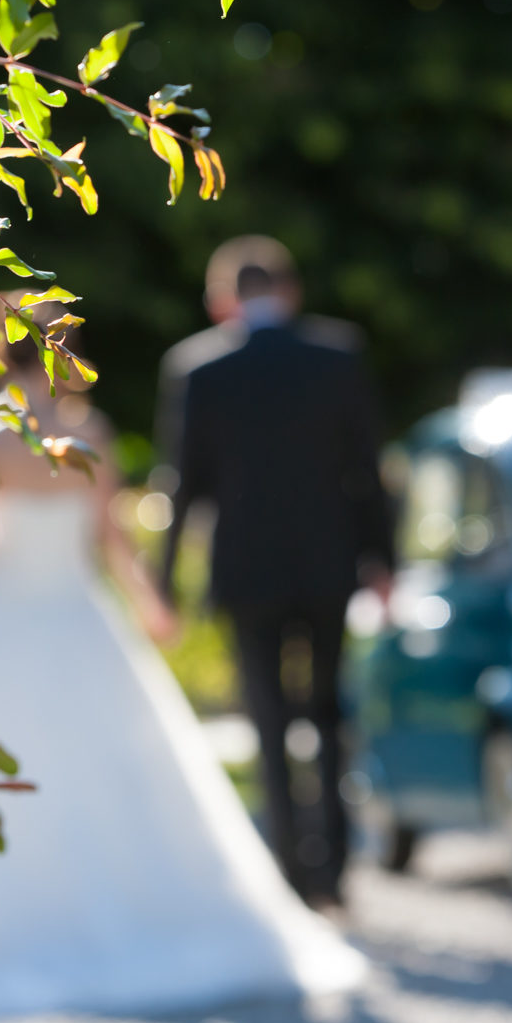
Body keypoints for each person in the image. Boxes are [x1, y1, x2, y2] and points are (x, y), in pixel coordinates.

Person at [0, 300, 366, 1023]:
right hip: (80, 622)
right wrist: (151, 608)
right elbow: (112, 541)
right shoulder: (90, 433)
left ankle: (14, 925)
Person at [158, 237, 395, 910]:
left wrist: (167, 579)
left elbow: (183, 486)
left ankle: (293, 870)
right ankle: (336, 866)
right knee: (326, 712)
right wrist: (385, 560)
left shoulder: (198, 370)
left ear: (223, 300)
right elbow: (367, 471)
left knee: (268, 720)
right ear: (288, 292)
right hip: (328, 564)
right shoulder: (336, 356)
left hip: (246, 570)